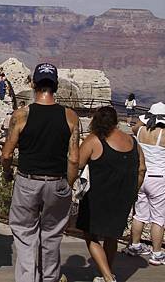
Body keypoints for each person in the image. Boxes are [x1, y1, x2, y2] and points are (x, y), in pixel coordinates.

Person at [1, 63, 79, 282]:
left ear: (33, 84)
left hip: (27, 181)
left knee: (25, 236)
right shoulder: (70, 117)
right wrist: (68, 185)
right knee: (52, 236)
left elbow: (6, 154)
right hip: (57, 182)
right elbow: (74, 158)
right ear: (55, 86)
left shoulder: (21, 116)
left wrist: (7, 173)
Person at [76, 106, 145, 282]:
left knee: (90, 234)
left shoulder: (94, 140)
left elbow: (77, 163)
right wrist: (133, 191)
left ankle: (107, 277)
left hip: (97, 197)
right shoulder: (133, 142)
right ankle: (106, 272)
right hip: (123, 197)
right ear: (116, 121)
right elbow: (142, 169)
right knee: (111, 235)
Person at [125, 102, 165, 266]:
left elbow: (135, 126)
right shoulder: (163, 134)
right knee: (158, 218)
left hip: (141, 175)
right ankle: (156, 253)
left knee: (140, 214)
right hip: (159, 178)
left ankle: (135, 246)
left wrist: (146, 118)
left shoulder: (140, 130)